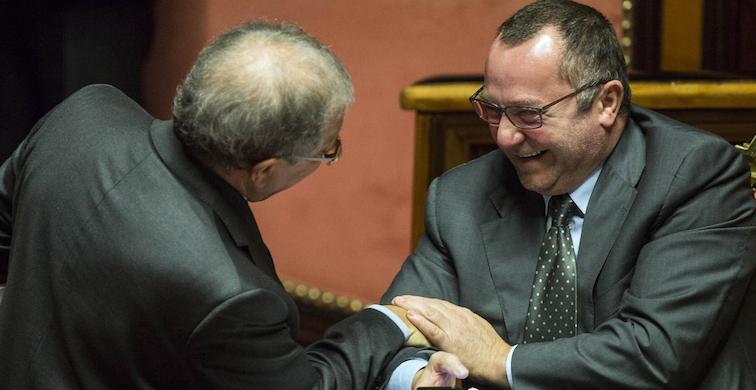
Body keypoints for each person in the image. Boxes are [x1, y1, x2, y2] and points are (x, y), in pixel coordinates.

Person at [0, 21, 467, 389]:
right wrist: (387, 322)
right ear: (263, 170)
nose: (330, 155)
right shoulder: (228, 294)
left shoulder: (84, 113)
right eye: (329, 150)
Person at [384, 1, 756, 389]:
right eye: (493, 110)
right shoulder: (460, 195)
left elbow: (652, 354)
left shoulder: (694, 175)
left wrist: (499, 360)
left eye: (529, 114)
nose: (505, 137)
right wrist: (420, 377)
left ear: (606, 102)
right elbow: (392, 331)